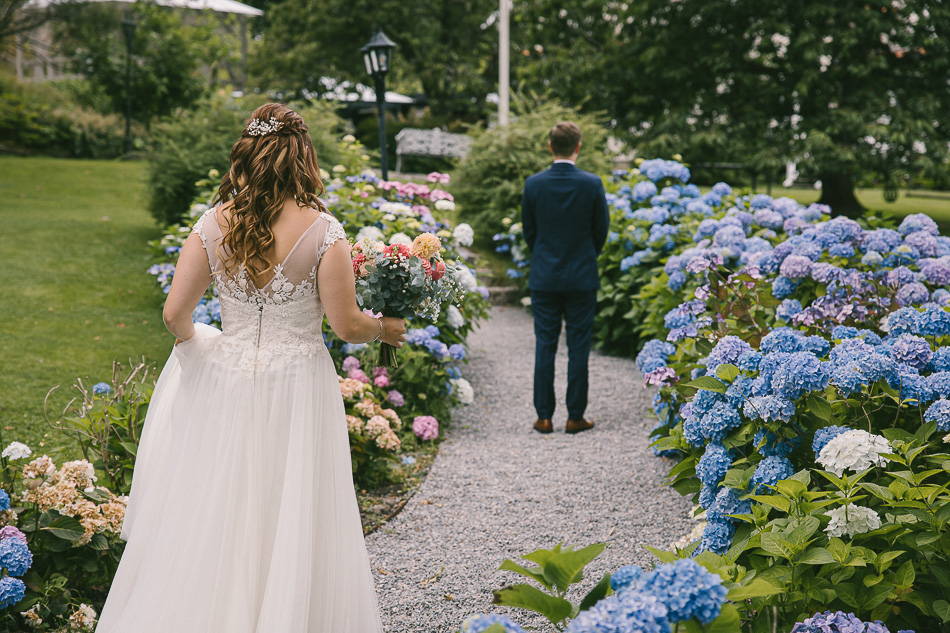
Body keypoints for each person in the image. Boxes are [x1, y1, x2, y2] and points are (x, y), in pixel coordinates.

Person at [95, 103, 404, 632]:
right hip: (297, 383)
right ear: (303, 159)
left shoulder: (213, 223)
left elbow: (174, 315)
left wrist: (202, 346)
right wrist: (387, 329)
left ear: (248, 157)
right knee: (290, 508)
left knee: (220, 506)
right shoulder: (325, 231)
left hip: (227, 378)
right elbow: (348, 325)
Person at [521, 121, 609, 435]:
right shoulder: (592, 183)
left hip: (544, 276)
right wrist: (585, 256)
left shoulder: (533, 184)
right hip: (582, 276)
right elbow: (601, 231)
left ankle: (544, 416)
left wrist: (544, 257)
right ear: (578, 147)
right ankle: (575, 417)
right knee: (578, 346)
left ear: (550, 147)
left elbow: (529, 232)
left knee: (545, 345)